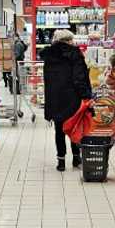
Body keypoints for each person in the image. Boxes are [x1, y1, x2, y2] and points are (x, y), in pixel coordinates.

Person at [41, 29, 92, 171]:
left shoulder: (49, 55)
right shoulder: (75, 54)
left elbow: (47, 80)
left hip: (55, 98)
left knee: (59, 130)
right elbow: (79, 78)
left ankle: (61, 161)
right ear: (68, 41)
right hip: (72, 97)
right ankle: (76, 158)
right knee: (74, 127)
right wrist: (86, 96)